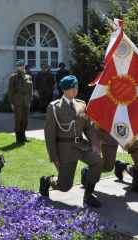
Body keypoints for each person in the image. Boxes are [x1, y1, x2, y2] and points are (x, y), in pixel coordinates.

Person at [39, 75, 103, 207]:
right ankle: (47, 181)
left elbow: (88, 127)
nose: (75, 90)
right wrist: (54, 157)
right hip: (65, 148)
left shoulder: (81, 104)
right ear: (64, 90)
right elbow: (49, 134)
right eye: (72, 88)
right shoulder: (55, 107)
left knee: (97, 161)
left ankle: (88, 195)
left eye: (76, 87)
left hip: (81, 145)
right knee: (64, 186)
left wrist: (95, 144)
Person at [81, 128, 138, 194]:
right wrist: (95, 140)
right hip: (107, 134)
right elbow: (90, 122)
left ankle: (136, 183)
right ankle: (87, 171)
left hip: (123, 129)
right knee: (108, 167)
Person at [8, 59, 33, 143]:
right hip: (17, 101)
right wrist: (11, 103)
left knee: (25, 119)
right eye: (20, 66)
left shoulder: (28, 77)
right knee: (18, 118)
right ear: (16, 67)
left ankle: (23, 135)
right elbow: (10, 91)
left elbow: (30, 90)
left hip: (26, 101)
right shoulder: (13, 77)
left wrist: (30, 100)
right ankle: (18, 137)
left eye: (23, 65)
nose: (22, 67)